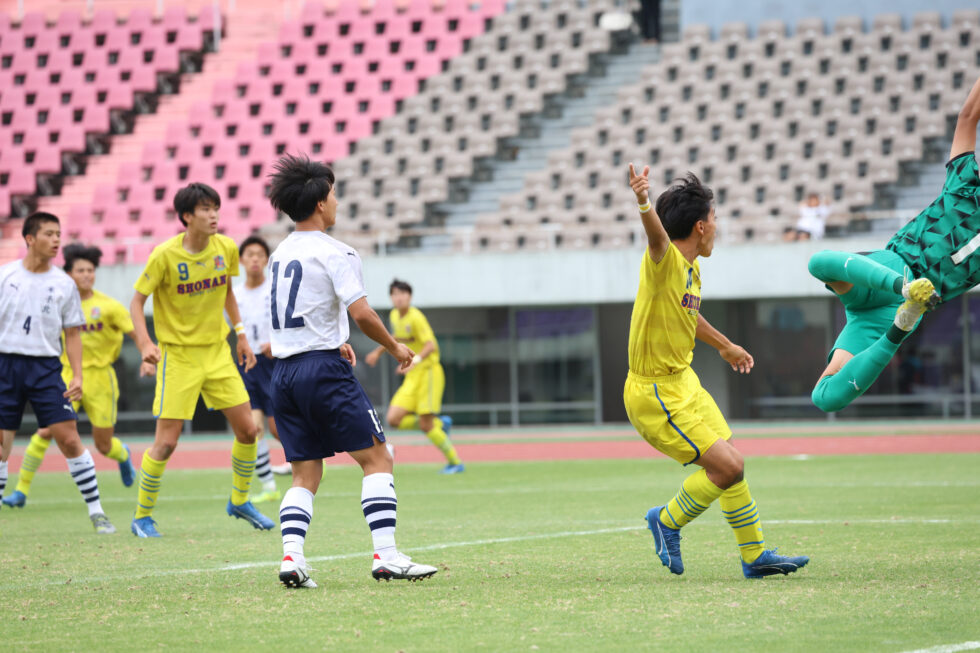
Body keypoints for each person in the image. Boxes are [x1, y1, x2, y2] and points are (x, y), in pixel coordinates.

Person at [624, 166, 809, 578]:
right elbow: (655, 237)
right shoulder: (665, 260)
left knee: (732, 461)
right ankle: (667, 520)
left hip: (683, 382)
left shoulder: (692, 269)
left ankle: (754, 555)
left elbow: (688, 314)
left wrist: (725, 345)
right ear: (701, 225)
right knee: (727, 467)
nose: (718, 227)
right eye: (717, 218)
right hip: (655, 393)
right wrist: (642, 200)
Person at [267, 154, 438, 588]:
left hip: (284, 374)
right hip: (323, 371)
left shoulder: (279, 254)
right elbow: (361, 313)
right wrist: (396, 346)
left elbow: (299, 312)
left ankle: (292, 558)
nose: (337, 201)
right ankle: (387, 555)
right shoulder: (336, 251)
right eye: (335, 193)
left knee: (306, 472)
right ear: (321, 202)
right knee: (378, 457)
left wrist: (332, 335)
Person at [807, 72, 980, 412]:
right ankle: (903, 292)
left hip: (895, 314)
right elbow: (969, 115)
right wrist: (903, 287)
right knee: (817, 263)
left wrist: (901, 321)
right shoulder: (966, 184)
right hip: (888, 271)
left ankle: (900, 329)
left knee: (825, 398)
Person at [128, 183, 274, 537]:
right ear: (187, 217)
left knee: (248, 430)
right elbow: (136, 302)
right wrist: (145, 342)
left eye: (216, 208)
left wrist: (240, 334)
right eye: (206, 209)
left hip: (217, 353)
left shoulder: (225, 248)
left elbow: (226, 292)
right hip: (178, 358)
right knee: (167, 443)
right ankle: (142, 516)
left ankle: (239, 500)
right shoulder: (164, 256)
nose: (214, 215)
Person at [3, 244, 147, 509]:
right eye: (80, 270)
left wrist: (146, 355)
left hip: (101, 378)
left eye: (90, 270)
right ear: (68, 274)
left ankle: (122, 454)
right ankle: (20, 491)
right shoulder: (54, 301)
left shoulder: (108, 306)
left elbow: (135, 332)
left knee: (103, 444)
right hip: (65, 374)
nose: (86, 275)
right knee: (46, 431)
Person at [0, 213, 115, 533]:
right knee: (1, 445)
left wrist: (76, 375)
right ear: (29, 238)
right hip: (5, 365)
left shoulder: (64, 284)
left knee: (68, 438)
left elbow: (73, 334)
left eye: (58, 234)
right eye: (49, 234)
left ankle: (97, 511)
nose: (56, 240)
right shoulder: (5, 276)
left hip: (46, 368)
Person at [365, 279, 463, 474]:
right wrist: (378, 352)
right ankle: (439, 423)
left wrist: (414, 362)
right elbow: (395, 339)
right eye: (394, 294)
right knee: (394, 419)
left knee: (425, 424)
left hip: (428, 373)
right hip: (412, 376)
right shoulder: (394, 316)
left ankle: (455, 462)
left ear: (409, 297)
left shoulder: (416, 317)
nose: (398, 298)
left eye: (402, 294)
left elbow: (430, 345)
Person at [233, 235, 282, 503]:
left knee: (277, 428)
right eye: (249, 254)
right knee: (254, 427)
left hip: (273, 364)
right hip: (246, 365)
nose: (254, 259)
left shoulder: (275, 290)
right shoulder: (235, 295)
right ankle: (269, 486)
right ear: (241, 260)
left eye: (260, 255)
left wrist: (276, 343)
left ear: (266, 260)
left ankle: (309, 460)